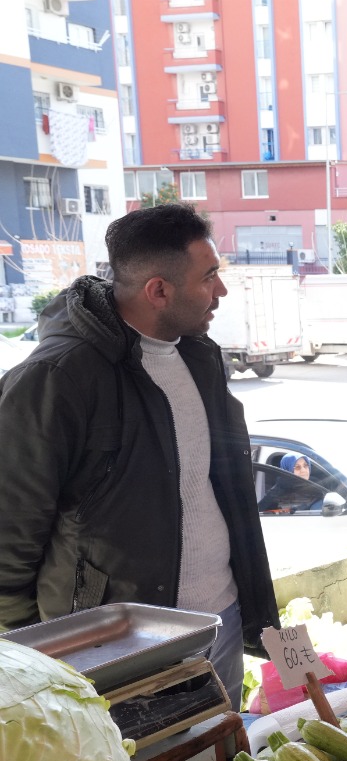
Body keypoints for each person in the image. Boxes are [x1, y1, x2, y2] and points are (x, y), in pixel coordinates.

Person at [0, 204, 274, 709]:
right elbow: (9, 535)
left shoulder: (200, 355)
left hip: (223, 620)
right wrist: (38, 656)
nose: (222, 291)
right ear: (158, 290)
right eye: (209, 276)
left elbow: (218, 485)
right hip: (117, 649)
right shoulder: (56, 379)